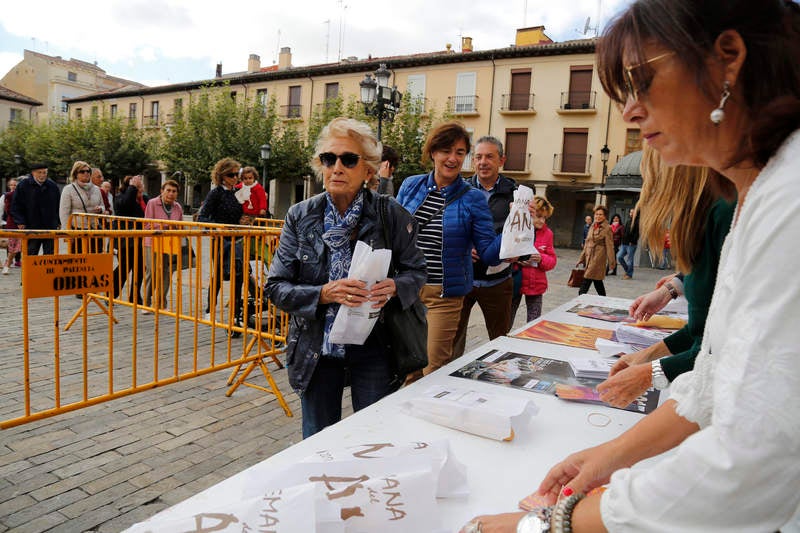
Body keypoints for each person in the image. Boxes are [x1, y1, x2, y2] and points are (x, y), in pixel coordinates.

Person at [466, 0, 800, 530]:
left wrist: (548, 523)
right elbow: (711, 383)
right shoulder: (759, 195)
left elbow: (752, 462)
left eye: (641, 83)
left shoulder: (789, 198)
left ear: (728, 58)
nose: (629, 112)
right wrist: (611, 455)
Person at [265, 117, 426, 438]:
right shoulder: (301, 215)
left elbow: (417, 271)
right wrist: (324, 293)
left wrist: (395, 287)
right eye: (329, 159)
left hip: (375, 346)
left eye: (348, 159)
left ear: (368, 170)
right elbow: (276, 286)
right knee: (319, 440)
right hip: (317, 348)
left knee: (372, 437)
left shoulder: (389, 213)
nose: (337, 167)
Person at [597, 145, 736, 408]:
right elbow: (700, 331)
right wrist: (647, 357)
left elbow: (716, 348)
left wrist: (651, 372)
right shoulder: (708, 214)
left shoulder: (722, 212)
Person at [397, 121, 502, 380]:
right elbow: (392, 234)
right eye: (446, 151)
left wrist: (515, 228)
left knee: (431, 369)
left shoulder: (472, 198)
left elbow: (489, 254)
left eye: (459, 152)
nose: (453, 158)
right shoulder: (411, 185)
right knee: (407, 371)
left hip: (443, 297)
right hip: (406, 292)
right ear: (433, 152)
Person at [453, 136, 518, 358]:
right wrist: (464, 246)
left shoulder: (516, 194)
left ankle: (498, 376)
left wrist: (517, 254)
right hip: (461, 279)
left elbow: (526, 234)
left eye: (489, 156)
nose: (483, 162)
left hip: (498, 281)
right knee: (451, 342)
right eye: (478, 157)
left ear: (502, 160)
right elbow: (447, 226)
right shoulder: (459, 190)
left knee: (500, 342)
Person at [197, 158, 245, 332]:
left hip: (237, 239)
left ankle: (235, 315)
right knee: (218, 274)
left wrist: (246, 219)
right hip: (220, 241)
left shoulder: (239, 193)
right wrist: (216, 227)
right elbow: (202, 217)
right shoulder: (215, 193)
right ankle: (209, 310)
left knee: (239, 276)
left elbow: (245, 213)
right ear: (222, 176)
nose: (235, 178)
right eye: (231, 175)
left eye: (237, 174)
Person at [143, 180, 184, 312]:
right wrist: (166, 226)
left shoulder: (177, 207)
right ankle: (146, 303)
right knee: (152, 271)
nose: (171, 194)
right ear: (162, 191)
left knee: (167, 272)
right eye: (168, 190)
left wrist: (176, 228)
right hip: (153, 241)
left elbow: (181, 225)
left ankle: (161, 303)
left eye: (174, 191)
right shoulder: (152, 203)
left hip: (170, 242)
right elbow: (147, 224)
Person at [517, 196, 557, 322]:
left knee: (533, 322)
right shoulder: (517, 229)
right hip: (516, 282)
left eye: (544, 217)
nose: (542, 221)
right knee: (507, 320)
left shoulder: (548, 233)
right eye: (539, 216)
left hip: (536, 284)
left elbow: (552, 260)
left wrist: (541, 258)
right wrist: (518, 260)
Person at [10, 162, 60, 256]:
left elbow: (58, 205)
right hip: (31, 226)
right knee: (31, 254)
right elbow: (16, 205)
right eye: (39, 172)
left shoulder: (53, 186)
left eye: (44, 172)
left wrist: (58, 221)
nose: (42, 175)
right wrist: (20, 221)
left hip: (49, 227)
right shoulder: (23, 185)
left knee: (50, 255)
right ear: (33, 173)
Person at [112, 174, 146, 304]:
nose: (141, 188)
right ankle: (111, 292)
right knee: (125, 267)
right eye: (138, 186)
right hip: (126, 240)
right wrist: (132, 187)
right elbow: (125, 206)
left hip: (141, 239)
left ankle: (135, 295)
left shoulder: (143, 199)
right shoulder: (121, 198)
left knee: (140, 267)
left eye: (141, 185)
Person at [59, 161, 105, 254]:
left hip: (94, 229)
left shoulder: (96, 189)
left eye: (88, 171)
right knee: (79, 260)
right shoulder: (68, 189)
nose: (86, 173)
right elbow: (64, 213)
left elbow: (103, 206)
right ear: (75, 174)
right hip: (78, 229)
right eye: (82, 171)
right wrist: (68, 232)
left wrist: (100, 209)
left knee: (96, 258)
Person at [576, 205, 615, 296]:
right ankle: (603, 298)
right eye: (596, 214)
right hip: (589, 256)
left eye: (600, 214)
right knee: (597, 281)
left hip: (598, 258)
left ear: (605, 216)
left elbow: (610, 246)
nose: (598, 216)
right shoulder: (592, 226)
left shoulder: (607, 228)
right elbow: (587, 243)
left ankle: (580, 298)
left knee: (586, 280)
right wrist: (581, 258)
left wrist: (612, 262)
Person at [2, 179, 21, 274]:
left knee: (18, 247)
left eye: (15, 185)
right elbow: (7, 210)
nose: (13, 186)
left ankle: (9, 263)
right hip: (12, 223)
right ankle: (7, 264)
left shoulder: (22, 195)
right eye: (12, 185)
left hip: (22, 224)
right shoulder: (8, 195)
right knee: (13, 246)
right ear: (9, 186)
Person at [616, 208, 639, 279]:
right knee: (619, 257)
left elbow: (637, 234)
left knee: (630, 260)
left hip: (631, 244)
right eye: (631, 212)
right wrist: (622, 241)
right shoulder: (628, 221)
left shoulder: (637, 222)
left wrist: (632, 241)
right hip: (624, 243)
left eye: (633, 212)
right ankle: (627, 270)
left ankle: (629, 274)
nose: (632, 214)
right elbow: (624, 232)